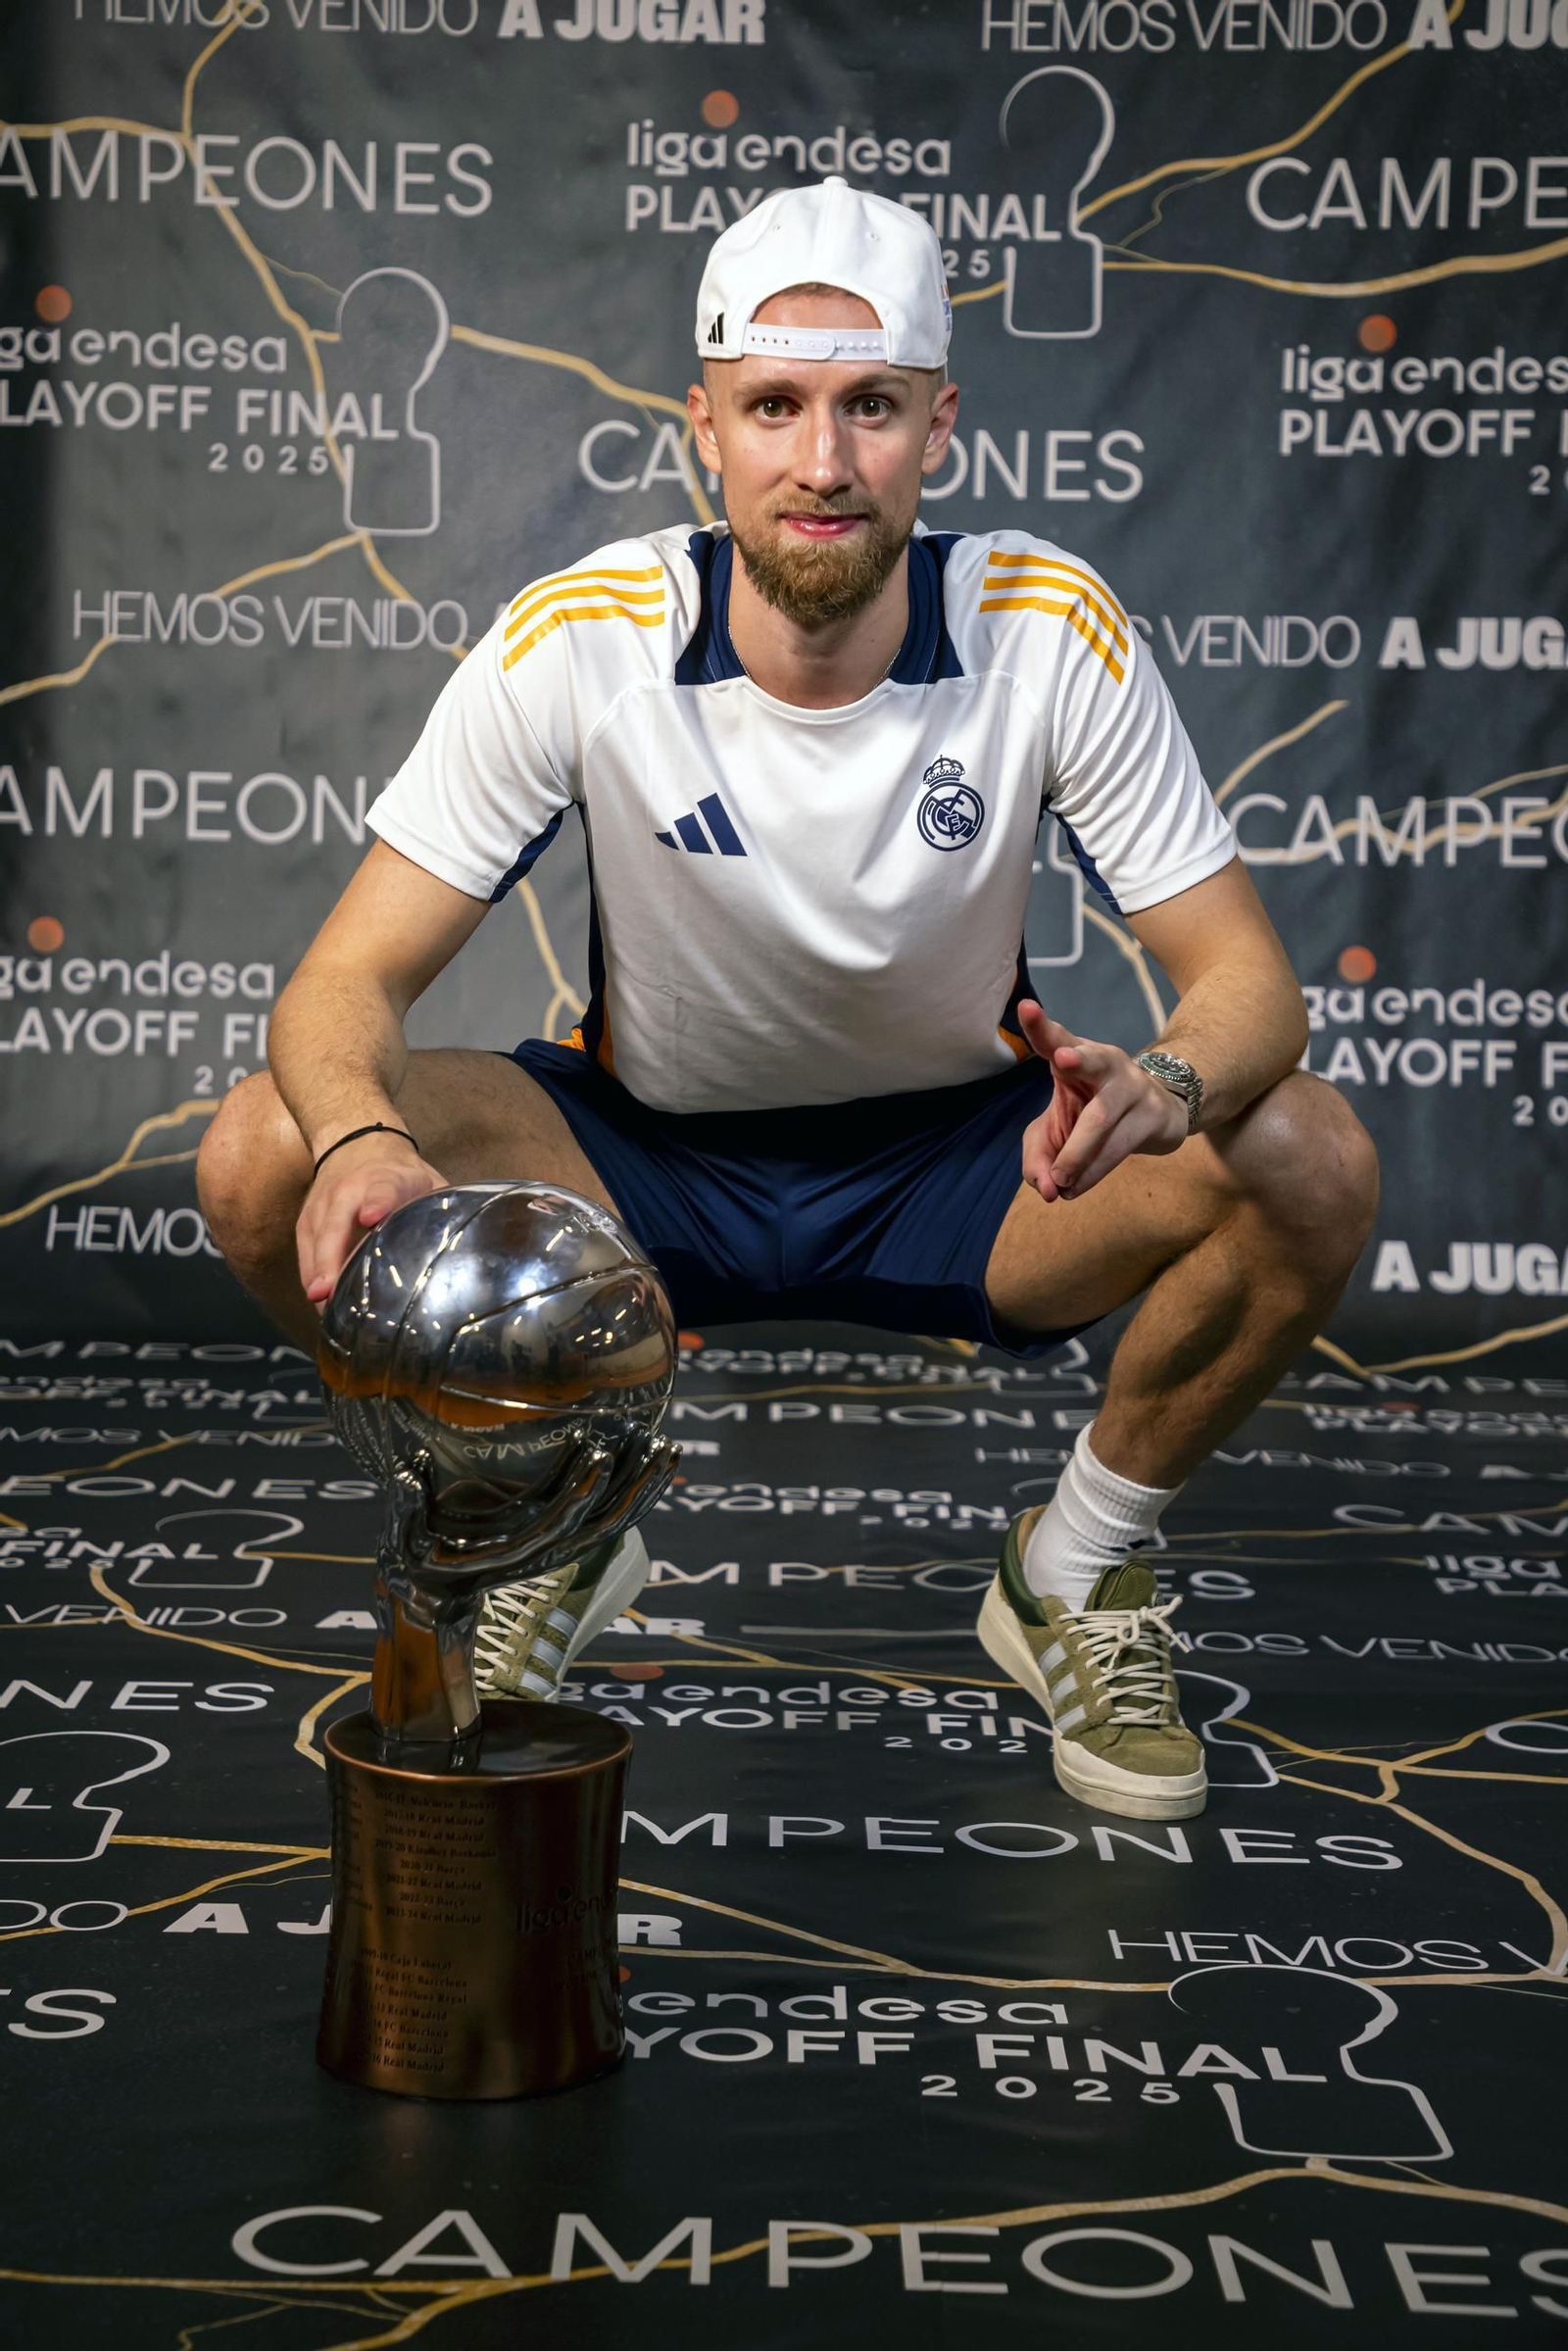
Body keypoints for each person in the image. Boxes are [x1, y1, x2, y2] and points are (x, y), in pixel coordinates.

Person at [198, 176, 1378, 1823]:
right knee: (268, 1149)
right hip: (645, 1171)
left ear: (938, 426)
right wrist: (362, 1142)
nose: (824, 462)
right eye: (777, 406)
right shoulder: (586, 636)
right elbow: (345, 979)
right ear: (705, 425)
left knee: (1307, 1150)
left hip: (972, 1175)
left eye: (870, 408)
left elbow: (1248, 983)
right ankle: (552, 1512)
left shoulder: (1042, 623)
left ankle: (1073, 1576)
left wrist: (1172, 1085)